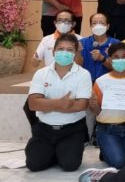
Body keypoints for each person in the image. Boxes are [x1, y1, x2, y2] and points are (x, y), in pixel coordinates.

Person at [25, 34, 91, 172]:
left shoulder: (84, 74)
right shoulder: (41, 73)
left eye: (69, 50)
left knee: (70, 165)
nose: (64, 53)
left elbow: (82, 105)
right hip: (44, 129)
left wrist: (47, 104)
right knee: (34, 165)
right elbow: (33, 104)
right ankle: (53, 152)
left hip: (72, 129)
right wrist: (60, 103)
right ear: (54, 51)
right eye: (61, 49)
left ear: (75, 53)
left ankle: (61, 151)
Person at [89, 42, 125, 169]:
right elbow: (97, 112)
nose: (120, 60)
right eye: (116, 57)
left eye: (124, 56)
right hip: (106, 128)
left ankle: (116, 147)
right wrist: (93, 105)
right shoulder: (101, 81)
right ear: (109, 59)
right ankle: (106, 149)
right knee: (119, 162)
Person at [79, 13, 120, 82]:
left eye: (102, 23)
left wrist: (102, 59)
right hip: (86, 82)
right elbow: (77, 67)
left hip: (109, 83)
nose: (98, 26)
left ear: (108, 26)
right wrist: (78, 53)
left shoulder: (116, 43)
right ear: (91, 26)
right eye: (94, 23)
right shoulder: (82, 43)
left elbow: (118, 68)